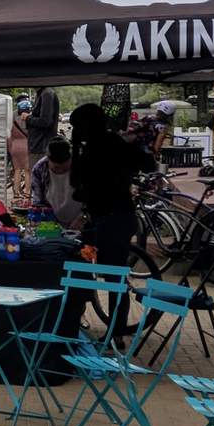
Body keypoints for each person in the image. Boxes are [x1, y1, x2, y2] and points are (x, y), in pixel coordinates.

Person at [68, 104, 154, 336]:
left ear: (87, 126)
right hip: (115, 216)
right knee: (108, 273)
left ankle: (116, 332)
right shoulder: (114, 143)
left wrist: (77, 148)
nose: (77, 132)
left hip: (112, 219)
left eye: (77, 127)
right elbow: (146, 162)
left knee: (114, 277)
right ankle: (110, 327)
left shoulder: (99, 147)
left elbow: (77, 184)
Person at [29, 137, 84, 228]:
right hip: (52, 220)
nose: (61, 171)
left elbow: (93, 198)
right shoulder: (40, 168)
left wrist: (83, 217)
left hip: (80, 219)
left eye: (65, 168)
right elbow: (38, 201)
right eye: (56, 168)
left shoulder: (82, 165)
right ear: (48, 160)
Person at [9, 99, 33, 204]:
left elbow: (8, 135)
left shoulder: (12, 118)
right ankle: (27, 193)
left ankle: (16, 193)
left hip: (15, 146)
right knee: (28, 171)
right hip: (27, 145)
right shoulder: (30, 118)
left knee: (17, 170)